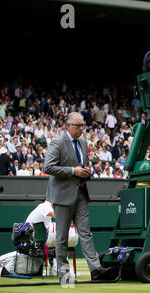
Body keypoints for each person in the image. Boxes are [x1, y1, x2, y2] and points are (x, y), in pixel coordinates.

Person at [44, 112, 115, 282]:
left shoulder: (83, 142)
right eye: (78, 126)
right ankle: (64, 274)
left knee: (86, 233)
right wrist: (73, 171)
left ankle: (96, 270)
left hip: (81, 193)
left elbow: (82, 164)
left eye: (83, 125)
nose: (82, 129)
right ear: (68, 126)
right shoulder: (57, 142)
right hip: (62, 196)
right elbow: (48, 167)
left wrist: (86, 171)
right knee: (61, 237)